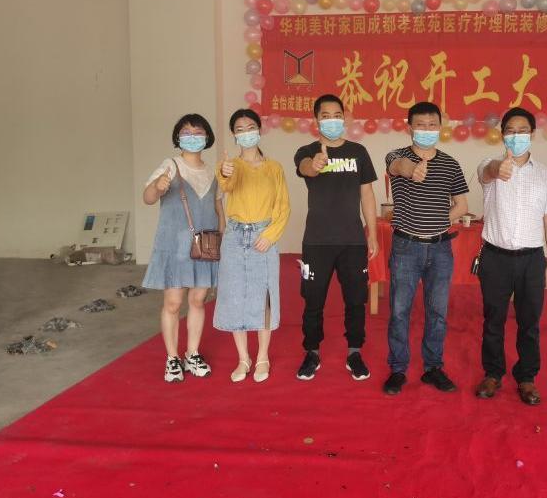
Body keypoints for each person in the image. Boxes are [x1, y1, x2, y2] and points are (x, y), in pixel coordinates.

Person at [474, 107, 547, 405]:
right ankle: (493, 373)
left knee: (530, 321)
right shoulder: (490, 166)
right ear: (502, 135)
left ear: (532, 134)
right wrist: (497, 168)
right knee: (493, 319)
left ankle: (526, 377)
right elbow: (487, 172)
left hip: (532, 259)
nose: (516, 136)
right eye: (510, 131)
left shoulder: (545, 176)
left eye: (522, 131)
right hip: (495, 258)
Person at [382, 102, 469, 395]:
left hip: (440, 249)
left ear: (440, 127)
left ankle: (433, 368)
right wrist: (411, 170)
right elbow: (396, 166)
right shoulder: (396, 155)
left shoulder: (450, 164)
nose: (427, 130)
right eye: (420, 125)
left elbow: (462, 205)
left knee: (437, 312)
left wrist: (439, 220)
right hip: (406, 246)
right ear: (409, 127)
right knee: (399, 311)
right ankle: (398, 369)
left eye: (432, 125)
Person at [293, 95, 379, 381]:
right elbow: (304, 167)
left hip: (352, 241)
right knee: (313, 300)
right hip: (316, 241)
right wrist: (315, 164)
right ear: (316, 120)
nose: (332, 120)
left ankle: (354, 352)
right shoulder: (307, 151)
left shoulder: (358, 152)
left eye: (337, 115)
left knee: (355, 300)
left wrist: (372, 233)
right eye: (325, 115)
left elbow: (367, 193)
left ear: (345, 117)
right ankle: (312, 352)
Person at [142, 113, 224, 383]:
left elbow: (218, 207)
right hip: (174, 246)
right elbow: (148, 198)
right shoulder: (170, 165)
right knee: (173, 303)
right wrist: (158, 186)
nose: (192, 137)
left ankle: (192, 353)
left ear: (207, 137)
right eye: (186, 132)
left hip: (206, 244)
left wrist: (222, 238)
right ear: (177, 137)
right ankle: (172, 358)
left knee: (198, 300)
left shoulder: (213, 171)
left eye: (198, 132)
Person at [214, 108, 290, 384]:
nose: (246, 133)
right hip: (235, 237)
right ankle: (243, 357)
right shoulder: (230, 165)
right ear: (234, 135)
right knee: (235, 295)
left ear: (259, 129)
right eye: (240, 129)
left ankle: (262, 357)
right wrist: (225, 172)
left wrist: (271, 235)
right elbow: (227, 185)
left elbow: (283, 206)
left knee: (264, 295)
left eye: (250, 128)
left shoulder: (274, 168)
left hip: (263, 235)